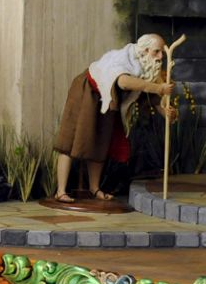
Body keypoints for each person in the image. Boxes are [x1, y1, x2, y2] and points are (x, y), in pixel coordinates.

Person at [53, 34, 176, 203]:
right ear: (146, 50)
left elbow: (150, 95)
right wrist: (158, 88)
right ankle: (60, 191)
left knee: (101, 142)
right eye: (157, 52)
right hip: (88, 91)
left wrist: (165, 112)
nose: (160, 57)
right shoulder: (125, 57)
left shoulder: (147, 66)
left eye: (162, 52)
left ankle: (94, 188)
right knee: (70, 140)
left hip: (109, 100)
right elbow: (123, 82)